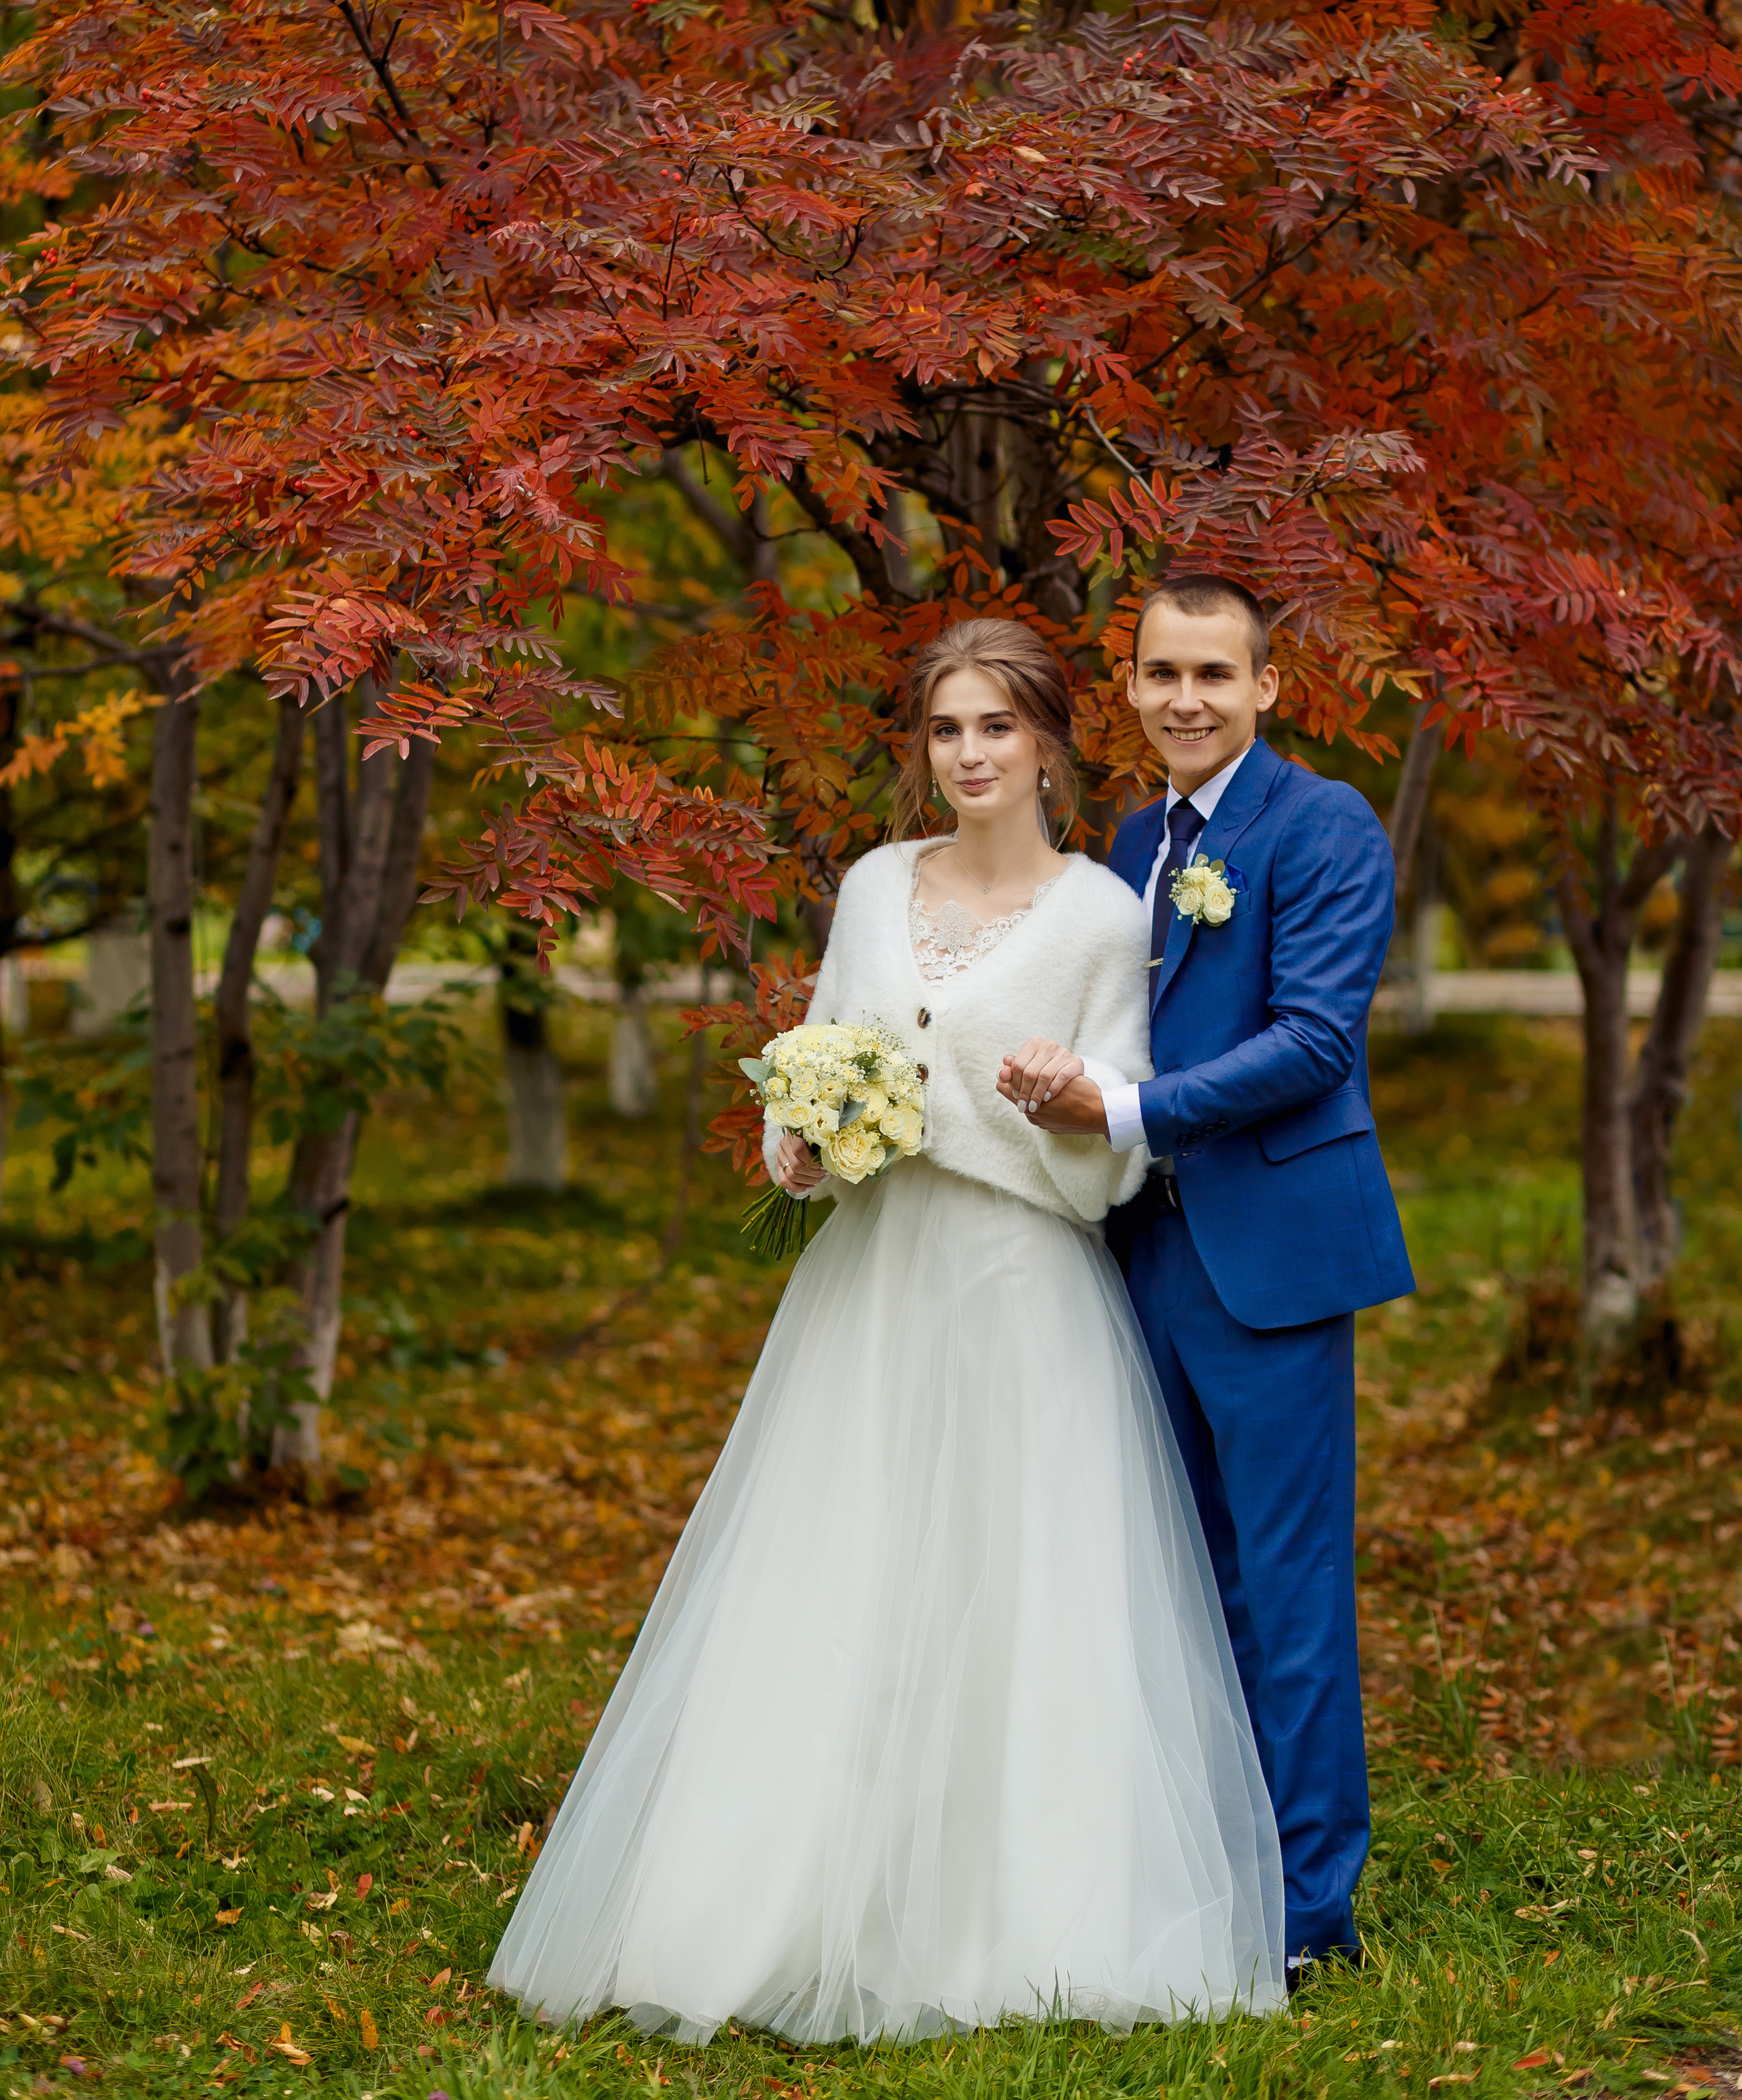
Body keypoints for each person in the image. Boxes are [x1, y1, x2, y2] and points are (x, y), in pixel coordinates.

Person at [490, 615, 1286, 2045]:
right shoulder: (870, 887)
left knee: (1013, 1591)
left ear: (1048, 741)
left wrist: (1054, 1106)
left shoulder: (1105, 915)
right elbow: (817, 1066)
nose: (969, 753)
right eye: (943, 729)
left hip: (1019, 1286)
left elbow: (1116, 1156)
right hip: (870, 1281)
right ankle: (782, 1897)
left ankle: (1008, 1917)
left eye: (995, 726)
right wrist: (800, 1139)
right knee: (840, 1566)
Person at [996, 575, 1415, 1990]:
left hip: (1270, 1257)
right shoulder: (1126, 840)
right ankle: (1198, 1871)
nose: (1186, 698)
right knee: (1172, 1583)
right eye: (1161, 673)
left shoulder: (1322, 824)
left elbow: (1310, 1041)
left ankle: (1308, 1917)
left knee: (1284, 1587)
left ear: (1267, 685)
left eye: (1213, 675)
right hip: (1140, 1249)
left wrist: (1120, 1114)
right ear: (1127, 685)